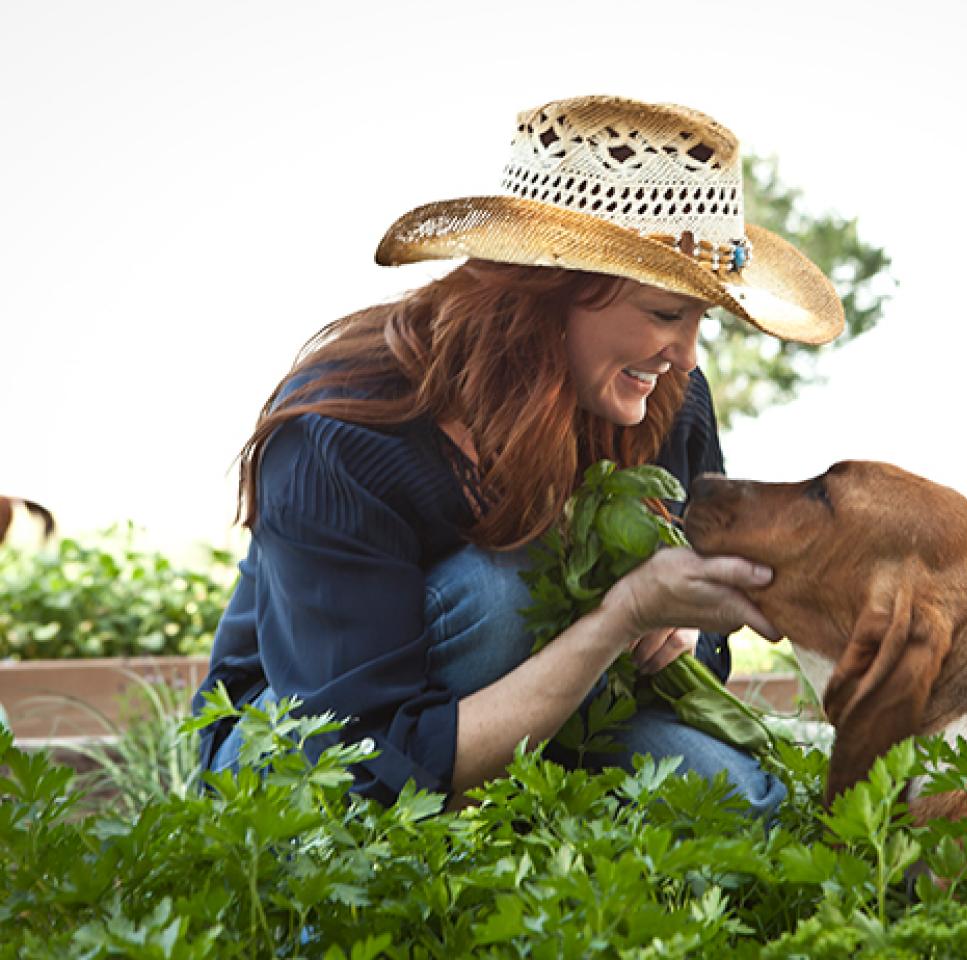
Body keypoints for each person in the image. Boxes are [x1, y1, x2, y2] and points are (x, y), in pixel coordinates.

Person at [193, 95, 843, 817]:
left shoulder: (662, 399)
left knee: (740, 808)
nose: (687, 355)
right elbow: (355, 765)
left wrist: (682, 629)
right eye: (665, 315)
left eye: (701, 320)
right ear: (551, 289)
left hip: (561, 710)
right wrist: (623, 614)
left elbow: (695, 635)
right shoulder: (346, 429)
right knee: (508, 591)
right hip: (303, 752)